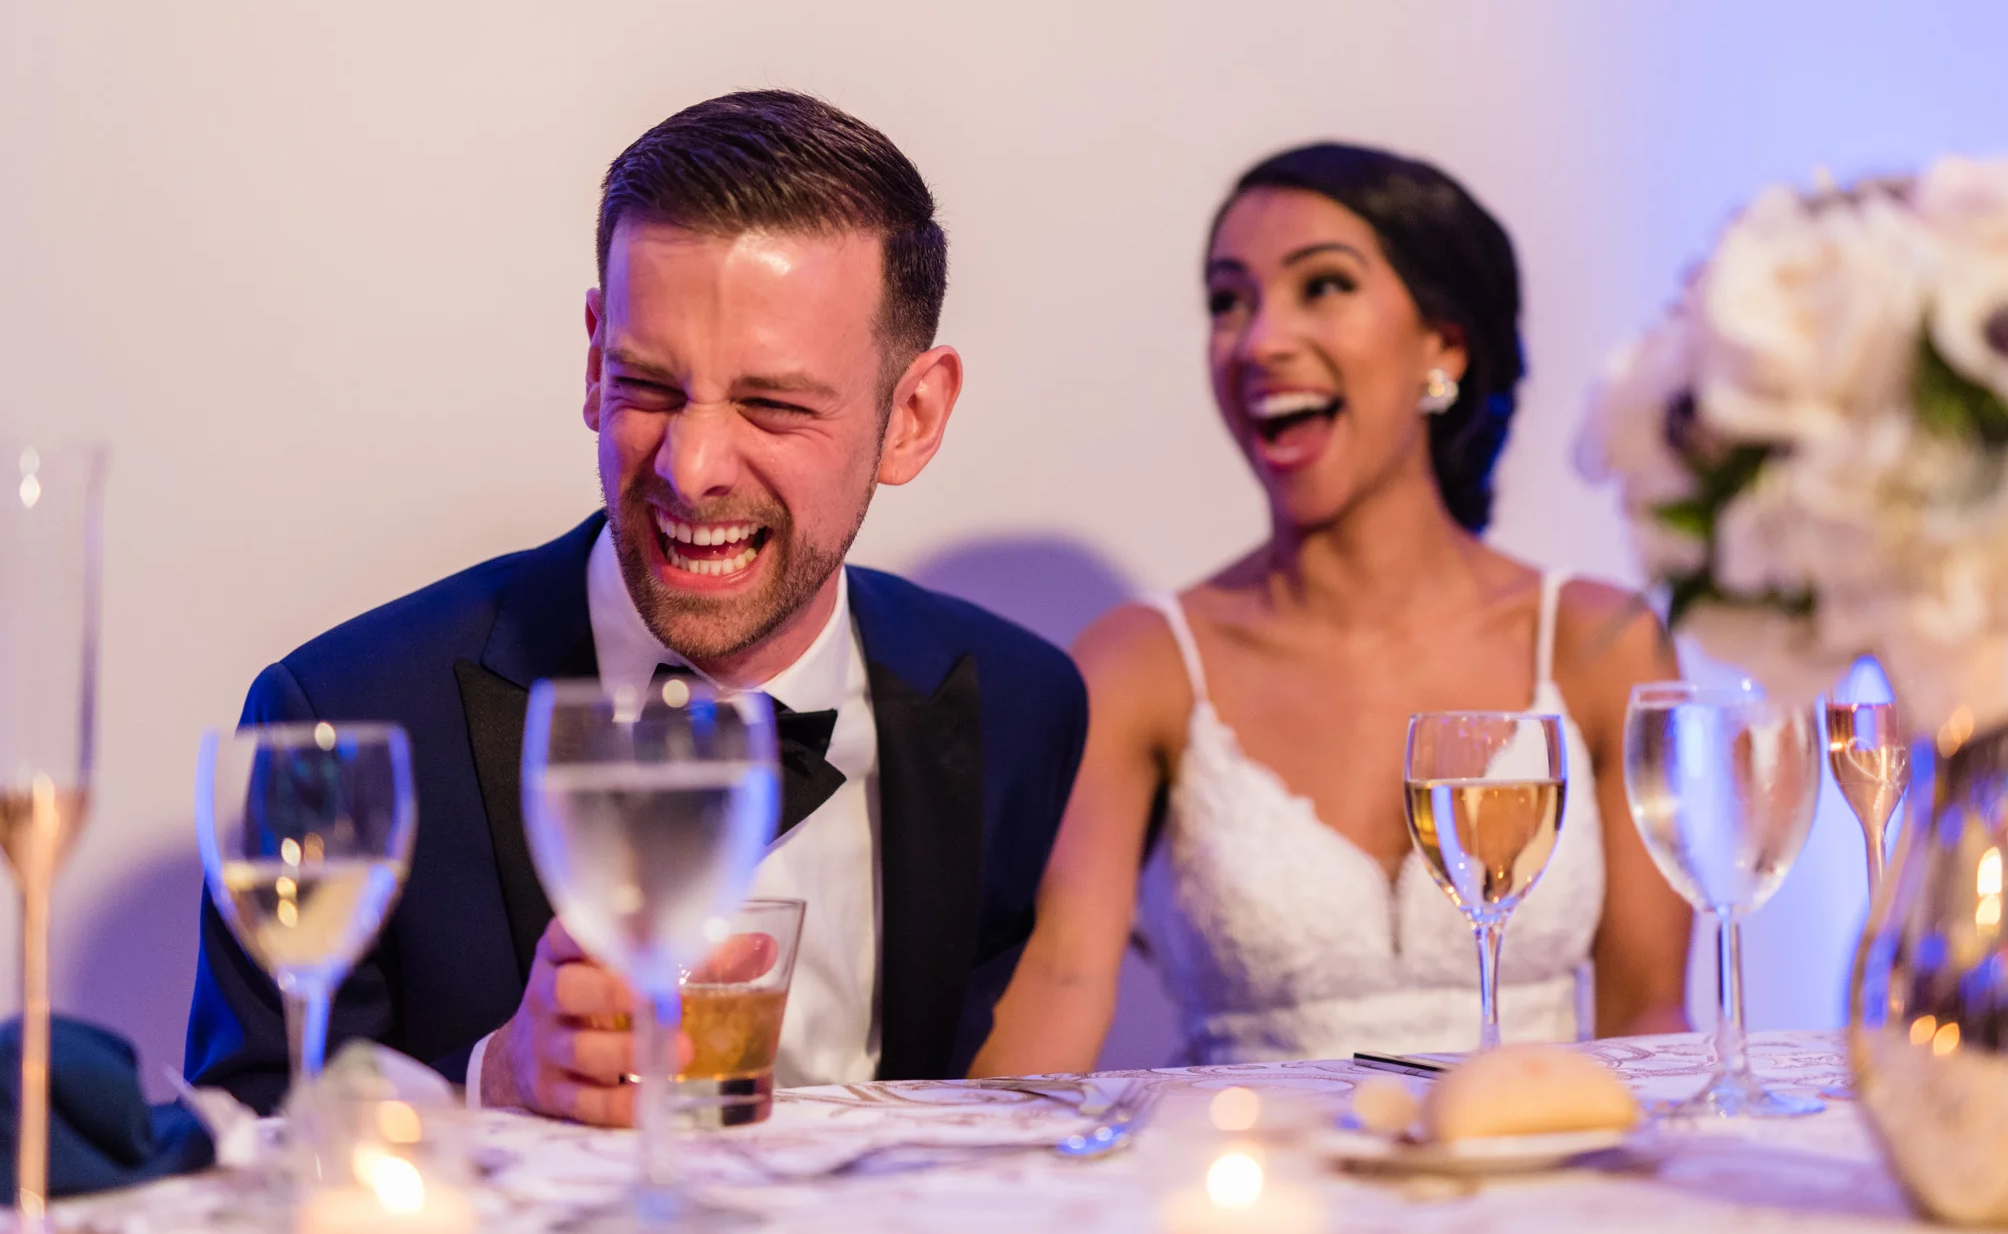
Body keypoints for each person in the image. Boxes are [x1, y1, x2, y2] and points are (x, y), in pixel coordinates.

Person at [186, 90, 1087, 1122]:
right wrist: (491, 1081)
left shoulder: (1018, 706)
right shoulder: (343, 709)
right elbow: (239, 1133)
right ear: (591, 358)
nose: (690, 468)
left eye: (772, 404)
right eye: (647, 385)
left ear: (912, 416)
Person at [972, 143, 1691, 1073]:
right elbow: (1058, 985)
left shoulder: (1603, 642)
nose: (1261, 341)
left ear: (1445, 346)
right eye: (1229, 301)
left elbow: (1650, 1012)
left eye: (1323, 287)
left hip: (1536, 1153)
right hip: (1251, 1163)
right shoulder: (1139, 664)